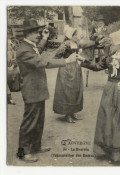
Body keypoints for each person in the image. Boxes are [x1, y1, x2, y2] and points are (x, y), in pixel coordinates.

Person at [16, 19, 77, 163]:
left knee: (38, 120)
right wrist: (66, 61)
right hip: (32, 90)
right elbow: (41, 62)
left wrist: (44, 38)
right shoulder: (24, 50)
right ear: (28, 33)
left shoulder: (30, 46)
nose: (38, 35)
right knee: (30, 121)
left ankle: (35, 146)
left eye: (38, 32)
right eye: (35, 33)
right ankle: (23, 152)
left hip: (37, 90)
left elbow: (39, 51)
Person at [81, 28, 120, 164]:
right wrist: (83, 61)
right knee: (108, 118)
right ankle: (108, 150)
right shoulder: (111, 55)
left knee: (119, 120)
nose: (110, 45)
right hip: (109, 90)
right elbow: (98, 66)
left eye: (113, 42)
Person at [53, 25, 96, 123]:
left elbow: (86, 45)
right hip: (66, 69)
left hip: (75, 68)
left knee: (75, 90)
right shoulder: (66, 44)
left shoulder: (76, 43)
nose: (77, 36)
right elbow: (56, 56)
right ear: (70, 35)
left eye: (77, 34)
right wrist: (65, 59)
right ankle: (67, 114)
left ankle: (72, 112)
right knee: (68, 91)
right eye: (75, 34)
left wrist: (96, 42)